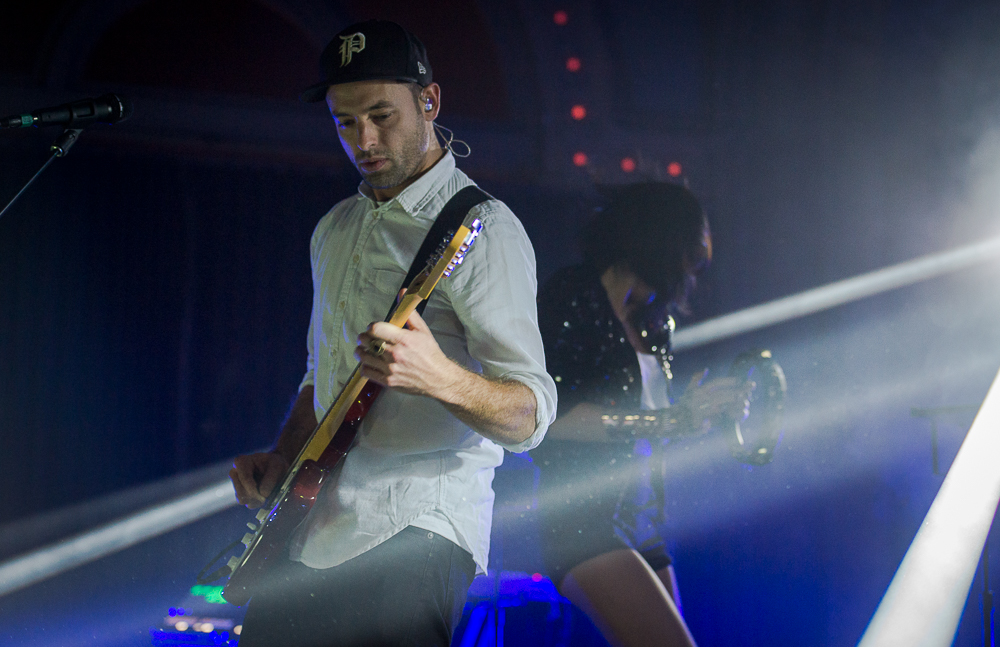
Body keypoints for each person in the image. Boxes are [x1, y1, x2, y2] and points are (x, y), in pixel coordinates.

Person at [227, 20, 557, 646]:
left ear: (429, 102)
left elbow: (532, 415)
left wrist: (441, 379)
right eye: (345, 122)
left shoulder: (484, 228)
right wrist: (283, 458)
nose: (365, 140)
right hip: (312, 527)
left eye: (382, 115)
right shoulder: (335, 227)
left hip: (418, 524)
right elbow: (319, 376)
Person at [531, 182, 752, 647]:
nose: (692, 270)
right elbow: (554, 417)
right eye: (689, 253)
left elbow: (649, 432)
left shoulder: (655, 325)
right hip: (582, 520)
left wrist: (699, 412)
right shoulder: (575, 294)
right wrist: (672, 420)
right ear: (662, 241)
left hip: (645, 523)